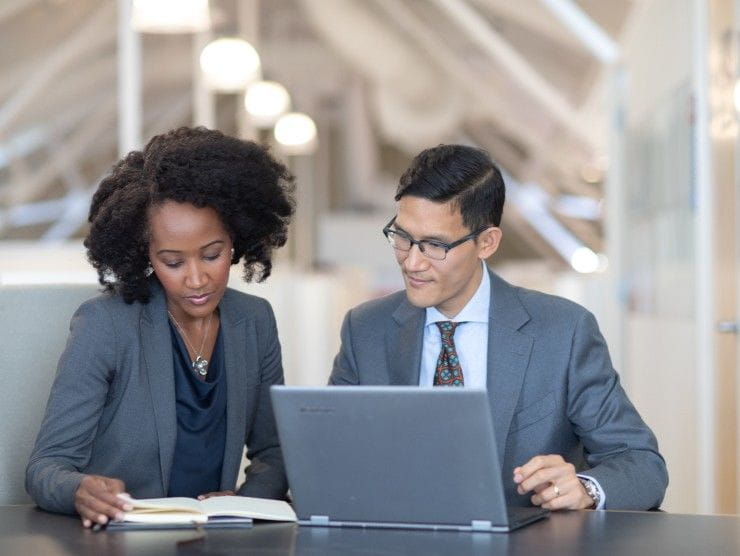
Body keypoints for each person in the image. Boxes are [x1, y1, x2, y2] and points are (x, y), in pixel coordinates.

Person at [329, 144, 668, 511]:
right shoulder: (365, 330)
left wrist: (585, 488)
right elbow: (329, 455)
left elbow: (641, 463)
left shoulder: (563, 331)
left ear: (487, 242)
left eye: (434, 245)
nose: (412, 261)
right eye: (402, 237)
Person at [26, 126, 295, 527]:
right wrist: (81, 490)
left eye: (211, 254)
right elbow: (46, 467)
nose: (196, 279)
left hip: (215, 539)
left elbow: (274, 453)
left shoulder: (254, 321)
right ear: (146, 254)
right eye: (173, 262)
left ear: (236, 240)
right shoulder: (106, 324)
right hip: (121, 539)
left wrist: (243, 501)